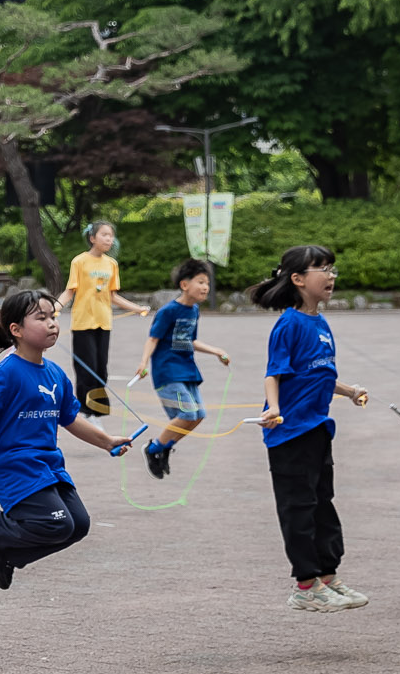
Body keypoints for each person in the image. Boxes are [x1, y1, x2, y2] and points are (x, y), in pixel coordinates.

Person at [0, 289, 132, 588]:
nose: (51, 324)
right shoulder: (7, 373)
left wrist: (107, 441)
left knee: (78, 526)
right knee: (57, 522)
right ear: (15, 330)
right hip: (15, 467)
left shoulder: (56, 374)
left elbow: (71, 418)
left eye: (53, 317)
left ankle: (8, 555)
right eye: (41, 318)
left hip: (47, 466)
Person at [253, 245, 372, 612]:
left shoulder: (319, 322)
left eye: (332, 268)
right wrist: (274, 407)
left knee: (323, 505)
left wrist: (348, 390)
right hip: (289, 433)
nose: (331, 275)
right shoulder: (288, 324)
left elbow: (317, 374)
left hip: (318, 428)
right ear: (298, 279)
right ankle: (305, 586)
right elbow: (275, 373)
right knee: (299, 508)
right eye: (321, 268)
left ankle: (327, 577)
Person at [131, 259, 232, 479]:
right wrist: (143, 362)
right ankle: (154, 448)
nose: (206, 287)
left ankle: (165, 446)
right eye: (201, 282)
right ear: (185, 285)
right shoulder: (169, 311)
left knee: (198, 415)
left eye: (207, 282)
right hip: (168, 372)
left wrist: (216, 351)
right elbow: (153, 339)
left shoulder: (194, 311)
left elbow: (190, 341)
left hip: (188, 370)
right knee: (187, 413)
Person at [55, 220, 146, 416]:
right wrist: (55, 307)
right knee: (85, 368)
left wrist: (137, 308)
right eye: (104, 235)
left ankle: (97, 409)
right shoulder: (79, 261)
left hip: (104, 322)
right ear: (92, 238)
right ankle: (84, 409)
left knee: (100, 369)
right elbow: (70, 291)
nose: (109, 239)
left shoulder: (111, 264)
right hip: (82, 322)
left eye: (111, 236)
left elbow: (113, 296)